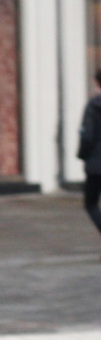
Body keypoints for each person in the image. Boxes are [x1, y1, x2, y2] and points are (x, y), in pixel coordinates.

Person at [76, 68, 101, 247]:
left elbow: (87, 136)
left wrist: (82, 155)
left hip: (96, 164)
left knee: (90, 203)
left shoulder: (93, 106)